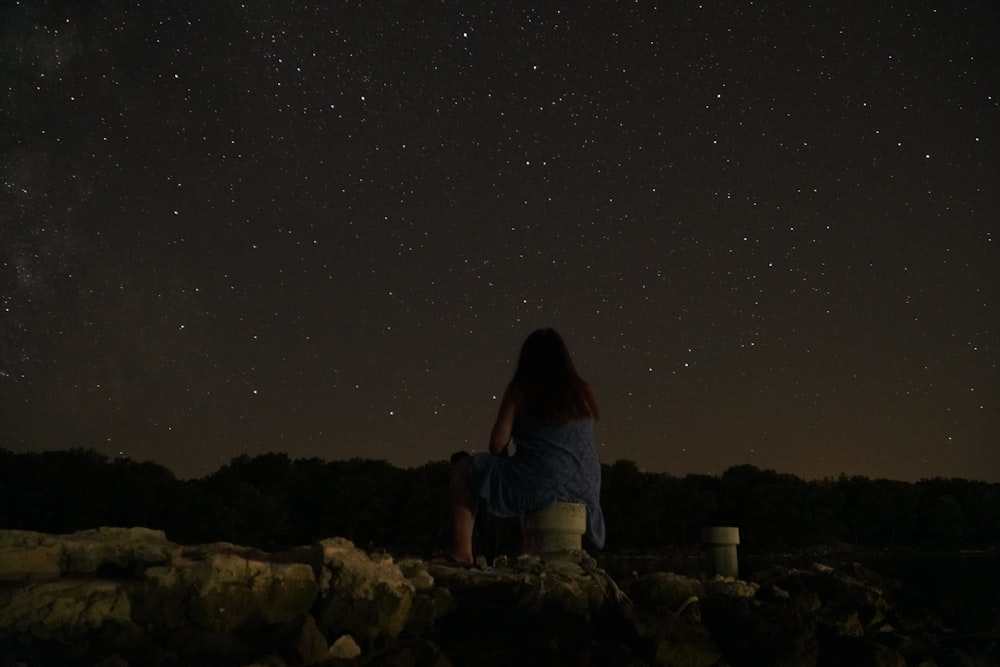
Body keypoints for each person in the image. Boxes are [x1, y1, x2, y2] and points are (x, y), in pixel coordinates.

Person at [446, 328, 606, 564]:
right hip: (586, 487)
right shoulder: (581, 393)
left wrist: (503, 459)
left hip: (541, 480)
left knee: (463, 471)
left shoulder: (522, 389)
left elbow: (497, 444)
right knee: (531, 472)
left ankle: (462, 553)